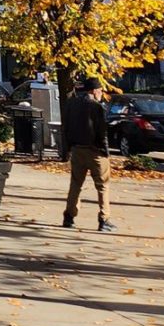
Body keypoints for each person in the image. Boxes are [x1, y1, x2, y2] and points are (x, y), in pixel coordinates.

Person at [63, 76, 115, 232]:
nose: (101, 93)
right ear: (94, 91)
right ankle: (104, 219)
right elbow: (102, 132)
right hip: (95, 150)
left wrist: (68, 147)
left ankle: (69, 217)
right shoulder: (96, 107)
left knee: (76, 184)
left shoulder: (71, 104)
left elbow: (65, 127)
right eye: (99, 90)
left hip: (77, 149)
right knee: (103, 185)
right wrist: (105, 152)